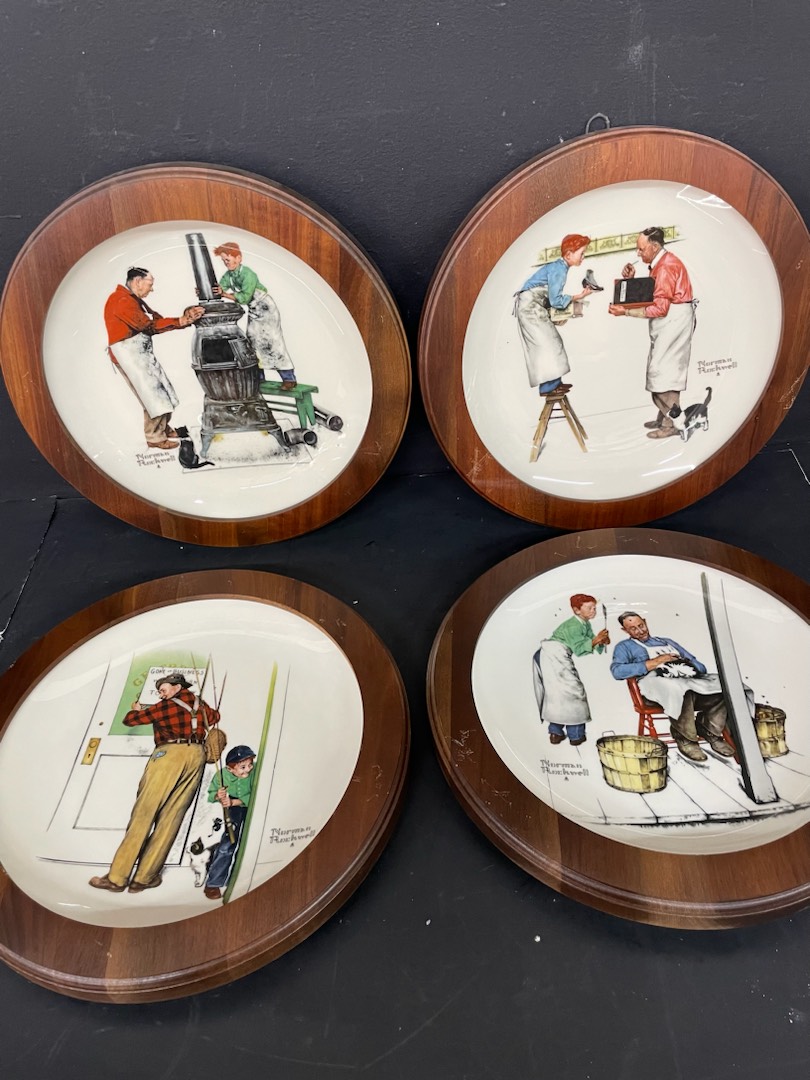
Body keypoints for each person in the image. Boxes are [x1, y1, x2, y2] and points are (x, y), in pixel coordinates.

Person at [89, 673, 221, 893]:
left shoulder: (165, 706)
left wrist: (136, 710)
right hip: (196, 756)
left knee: (144, 813)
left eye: (163, 689)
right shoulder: (199, 703)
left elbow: (131, 720)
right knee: (171, 818)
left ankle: (117, 878)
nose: (161, 694)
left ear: (177, 687)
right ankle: (144, 878)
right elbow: (215, 717)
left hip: (168, 755)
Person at [610, 611, 738, 762]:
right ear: (625, 630)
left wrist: (686, 664)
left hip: (687, 682)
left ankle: (709, 729)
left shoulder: (667, 642)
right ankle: (685, 738)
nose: (640, 631)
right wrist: (656, 662)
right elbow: (617, 671)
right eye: (633, 629)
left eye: (641, 625)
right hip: (655, 691)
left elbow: (699, 665)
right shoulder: (624, 647)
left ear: (645, 621)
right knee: (679, 689)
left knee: (725, 686)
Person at [607, 227, 698, 439]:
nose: (638, 253)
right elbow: (653, 293)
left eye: (641, 249)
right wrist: (631, 280)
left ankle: (674, 423)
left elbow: (659, 309)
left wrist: (625, 312)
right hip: (672, 322)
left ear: (655, 247)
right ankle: (665, 419)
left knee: (662, 375)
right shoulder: (662, 263)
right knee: (665, 372)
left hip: (674, 322)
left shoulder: (665, 267)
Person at [104, 267, 204, 450]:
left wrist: (184, 317)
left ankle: (163, 429)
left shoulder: (133, 300)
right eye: (150, 284)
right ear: (137, 282)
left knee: (164, 392)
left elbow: (156, 319)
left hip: (140, 354)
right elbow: (148, 326)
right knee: (153, 397)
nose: (152, 289)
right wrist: (181, 320)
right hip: (129, 356)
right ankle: (155, 438)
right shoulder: (121, 300)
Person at [513, 234, 596, 395]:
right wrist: (579, 296)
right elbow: (556, 300)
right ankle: (548, 387)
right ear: (569, 255)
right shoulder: (559, 270)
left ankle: (554, 383)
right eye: (581, 253)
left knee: (551, 342)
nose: (583, 257)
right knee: (547, 344)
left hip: (534, 306)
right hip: (530, 308)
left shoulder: (560, 267)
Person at [213, 241, 297, 389]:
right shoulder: (228, 275)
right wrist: (209, 290)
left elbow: (244, 298)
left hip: (266, 309)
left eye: (228, 259)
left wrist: (224, 294)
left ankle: (289, 378)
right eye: (224, 260)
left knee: (273, 342)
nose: (226, 263)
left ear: (238, 258)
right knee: (252, 342)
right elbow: (220, 287)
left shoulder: (248, 274)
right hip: (254, 310)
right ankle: (258, 378)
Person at [532, 593, 610, 746]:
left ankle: (556, 733)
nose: (593, 611)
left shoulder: (585, 624)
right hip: (553, 656)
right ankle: (575, 735)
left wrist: (600, 642)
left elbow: (589, 644)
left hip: (555, 656)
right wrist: (596, 640)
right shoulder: (574, 625)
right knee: (573, 692)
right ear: (576, 610)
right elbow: (580, 649)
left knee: (558, 695)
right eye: (589, 608)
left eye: (594, 608)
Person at [203, 744, 256, 901]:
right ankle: (214, 883)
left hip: (252, 806)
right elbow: (211, 794)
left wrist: (235, 802)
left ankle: (241, 878)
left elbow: (256, 793)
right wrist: (219, 796)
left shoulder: (255, 773)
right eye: (243, 767)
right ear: (230, 769)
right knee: (227, 844)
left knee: (248, 842)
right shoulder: (222, 775)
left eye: (250, 765)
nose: (248, 770)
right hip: (233, 811)